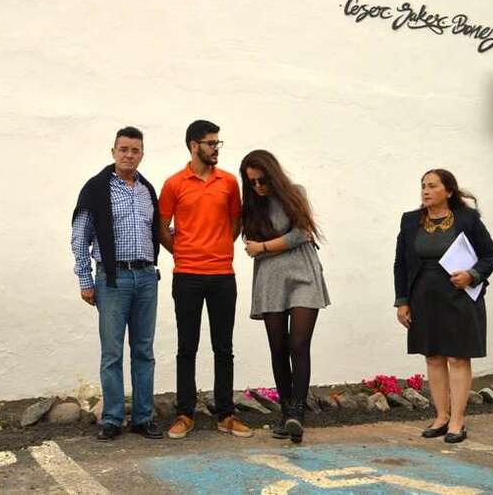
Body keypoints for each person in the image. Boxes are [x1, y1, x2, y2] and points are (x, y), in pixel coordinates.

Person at [158, 119, 253, 439]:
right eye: (211, 143)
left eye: (217, 143)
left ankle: (226, 414)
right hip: (186, 276)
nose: (216, 148)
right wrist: (183, 252)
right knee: (187, 347)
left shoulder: (229, 183)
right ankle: (185, 414)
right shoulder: (174, 184)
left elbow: (236, 223)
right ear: (193, 145)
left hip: (222, 275)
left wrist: (219, 247)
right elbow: (161, 227)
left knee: (223, 347)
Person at [71, 126, 163, 441]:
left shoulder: (147, 190)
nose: (129, 155)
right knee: (112, 353)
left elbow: (156, 232)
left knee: (144, 351)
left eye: (135, 150)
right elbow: (79, 238)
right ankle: (111, 419)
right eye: (123, 149)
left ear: (142, 154)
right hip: (113, 279)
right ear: (113, 152)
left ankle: (143, 418)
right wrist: (85, 280)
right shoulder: (96, 188)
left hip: (147, 277)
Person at [393, 169, 493, 444]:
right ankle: (441, 417)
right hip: (423, 297)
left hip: (459, 295)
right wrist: (402, 301)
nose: (426, 191)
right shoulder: (410, 221)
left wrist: (471, 275)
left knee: (458, 357)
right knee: (433, 356)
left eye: (432, 186)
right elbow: (401, 264)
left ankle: (457, 421)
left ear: (449, 191)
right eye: (423, 186)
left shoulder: (467, 219)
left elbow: (490, 255)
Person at [239, 150, 330, 443]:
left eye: (262, 180)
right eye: (252, 182)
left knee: (299, 344)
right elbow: (248, 243)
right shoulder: (251, 206)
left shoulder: (295, 193)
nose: (258, 186)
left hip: (303, 274)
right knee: (278, 347)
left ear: (273, 174)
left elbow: (301, 234)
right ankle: (286, 414)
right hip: (270, 280)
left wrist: (265, 247)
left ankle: (297, 414)